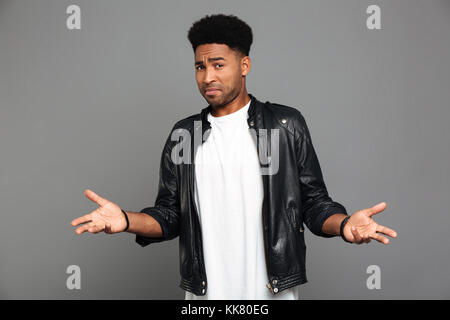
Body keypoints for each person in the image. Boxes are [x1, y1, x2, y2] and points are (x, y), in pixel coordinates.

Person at [71, 14, 398, 300]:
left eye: (218, 65)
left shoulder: (285, 125)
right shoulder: (185, 135)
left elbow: (313, 205)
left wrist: (344, 226)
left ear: (244, 66)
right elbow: (169, 216)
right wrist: (126, 221)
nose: (207, 77)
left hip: (273, 293)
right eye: (200, 66)